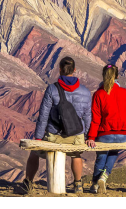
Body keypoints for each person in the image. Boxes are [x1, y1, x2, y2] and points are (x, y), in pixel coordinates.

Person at [21, 56, 92, 194]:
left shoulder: (52, 89)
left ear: (60, 70)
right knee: (76, 155)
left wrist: (38, 138)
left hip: (54, 135)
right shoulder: (85, 92)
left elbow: (43, 116)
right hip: (76, 136)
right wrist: (87, 135)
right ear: (74, 70)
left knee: (34, 153)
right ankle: (78, 184)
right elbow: (88, 116)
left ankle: (28, 182)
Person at [86, 64, 126, 194]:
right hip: (123, 135)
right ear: (117, 76)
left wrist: (91, 137)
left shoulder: (99, 94)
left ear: (103, 76)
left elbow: (95, 119)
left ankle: (95, 184)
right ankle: (105, 175)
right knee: (113, 152)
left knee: (101, 157)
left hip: (104, 134)